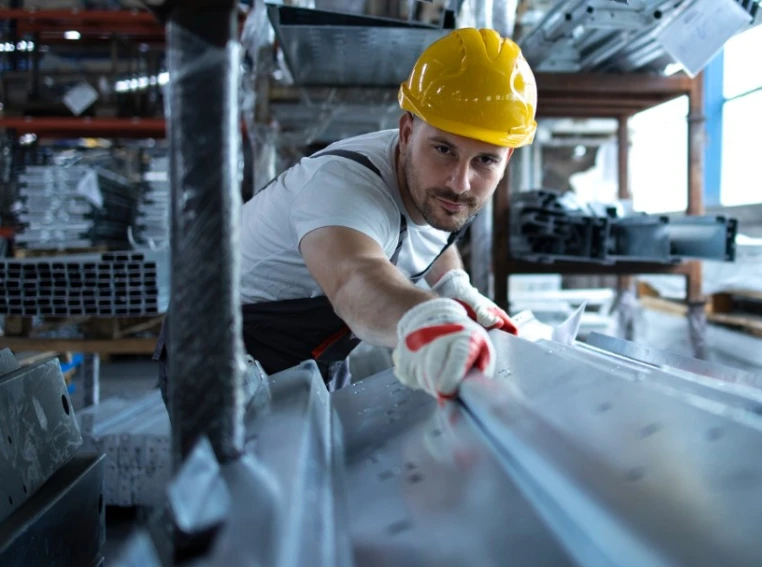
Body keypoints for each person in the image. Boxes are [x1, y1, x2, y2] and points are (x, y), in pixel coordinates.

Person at [156, 27, 536, 402]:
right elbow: (354, 278)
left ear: (507, 160)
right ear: (406, 133)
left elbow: (432, 237)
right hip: (222, 351)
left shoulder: (436, 190)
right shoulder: (341, 189)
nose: (460, 183)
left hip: (317, 349)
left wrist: (453, 283)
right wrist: (427, 318)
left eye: (485, 160)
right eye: (443, 150)